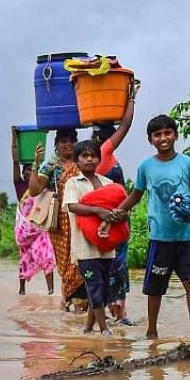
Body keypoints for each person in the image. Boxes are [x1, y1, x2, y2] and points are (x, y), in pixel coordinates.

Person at [114, 114, 190, 339]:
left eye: (167, 133)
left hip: (188, 236)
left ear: (176, 135)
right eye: (157, 135)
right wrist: (116, 213)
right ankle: (151, 332)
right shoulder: (146, 167)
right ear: (150, 140)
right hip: (160, 237)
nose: (163, 138)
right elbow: (135, 195)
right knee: (155, 287)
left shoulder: (189, 164)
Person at [62, 139, 122, 335]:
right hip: (85, 248)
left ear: (99, 159)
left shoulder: (109, 183)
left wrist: (114, 215)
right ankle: (104, 329)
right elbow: (72, 206)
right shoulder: (73, 183)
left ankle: (88, 328)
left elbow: (121, 207)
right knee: (95, 286)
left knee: (103, 288)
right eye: (84, 156)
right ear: (76, 161)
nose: (89, 159)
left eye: (93, 155)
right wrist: (98, 211)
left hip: (107, 246)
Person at [94, 79, 138, 325]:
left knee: (109, 265)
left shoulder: (92, 156)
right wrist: (131, 98)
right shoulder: (104, 151)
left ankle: (115, 313)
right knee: (115, 265)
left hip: (108, 219)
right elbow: (127, 124)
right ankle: (117, 313)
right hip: (112, 220)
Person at [27, 128, 84, 311]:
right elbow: (34, 191)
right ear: (57, 145)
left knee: (84, 258)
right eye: (63, 141)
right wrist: (35, 163)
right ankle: (71, 299)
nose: (68, 144)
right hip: (61, 222)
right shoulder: (50, 165)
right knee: (67, 262)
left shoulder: (83, 161)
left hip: (83, 216)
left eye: (71, 140)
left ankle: (82, 303)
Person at [13, 150, 56, 294]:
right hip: (24, 232)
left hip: (39, 229)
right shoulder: (20, 187)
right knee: (24, 259)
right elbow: (15, 161)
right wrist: (14, 137)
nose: (30, 173)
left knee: (47, 256)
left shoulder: (41, 188)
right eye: (27, 171)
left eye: (33, 170)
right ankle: (22, 290)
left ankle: (51, 291)